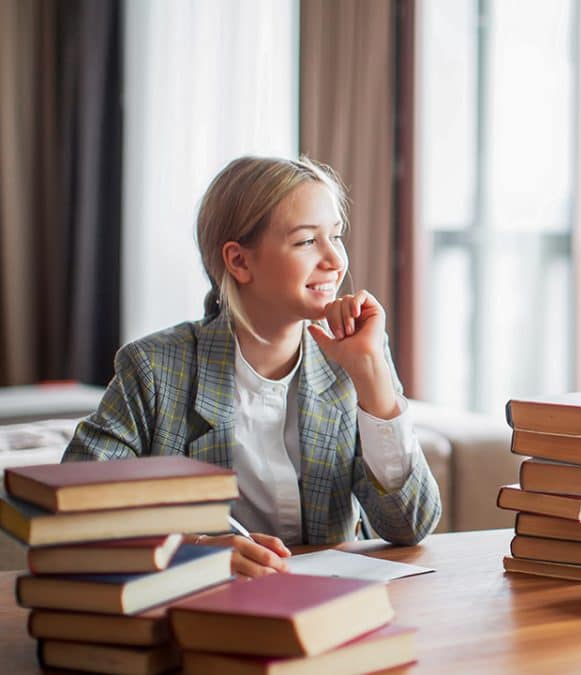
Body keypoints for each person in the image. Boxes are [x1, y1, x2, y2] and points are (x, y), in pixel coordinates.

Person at [63, 156, 441, 577]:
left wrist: (374, 379)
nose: (335, 260)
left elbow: (410, 526)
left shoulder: (352, 361)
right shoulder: (153, 369)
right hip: (200, 611)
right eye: (306, 242)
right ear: (240, 262)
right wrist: (193, 550)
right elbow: (74, 510)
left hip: (328, 611)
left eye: (336, 236)